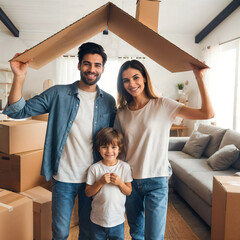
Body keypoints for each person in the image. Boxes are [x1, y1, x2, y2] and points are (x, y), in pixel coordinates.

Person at [3, 42, 116, 240]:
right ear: (79, 65)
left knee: (89, 233)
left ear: (103, 69)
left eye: (97, 65)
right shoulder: (58, 93)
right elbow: (17, 111)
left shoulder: (108, 101)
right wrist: (19, 77)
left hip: (94, 178)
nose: (92, 69)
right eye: (87, 64)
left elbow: (115, 138)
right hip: (63, 177)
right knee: (60, 232)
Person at [114, 60, 214, 240]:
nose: (132, 84)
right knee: (136, 233)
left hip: (156, 179)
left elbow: (207, 114)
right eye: (126, 80)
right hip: (129, 180)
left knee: (154, 236)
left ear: (144, 78)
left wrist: (199, 78)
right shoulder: (122, 113)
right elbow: (119, 149)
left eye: (136, 77)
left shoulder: (163, 105)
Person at [85, 127, 132, 240]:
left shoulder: (124, 167)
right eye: (104, 147)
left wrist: (120, 183)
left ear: (119, 149)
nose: (109, 151)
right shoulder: (94, 169)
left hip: (117, 221)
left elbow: (129, 192)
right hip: (97, 220)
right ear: (99, 149)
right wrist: (100, 182)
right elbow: (88, 193)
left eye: (113, 147)